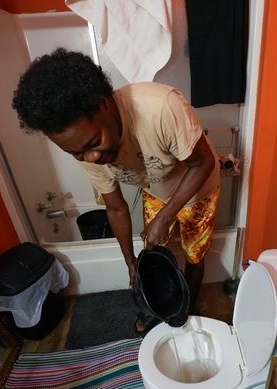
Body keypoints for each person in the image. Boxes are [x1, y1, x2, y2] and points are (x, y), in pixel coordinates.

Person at [12, 48, 220, 332]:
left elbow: (203, 163)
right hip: (157, 188)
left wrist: (166, 215)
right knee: (152, 251)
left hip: (198, 187)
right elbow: (116, 207)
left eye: (95, 142)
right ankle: (162, 305)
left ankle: (188, 308)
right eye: (78, 153)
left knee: (194, 254)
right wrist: (129, 261)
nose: (92, 157)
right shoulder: (84, 150)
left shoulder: (160, 108)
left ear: (104, 104)